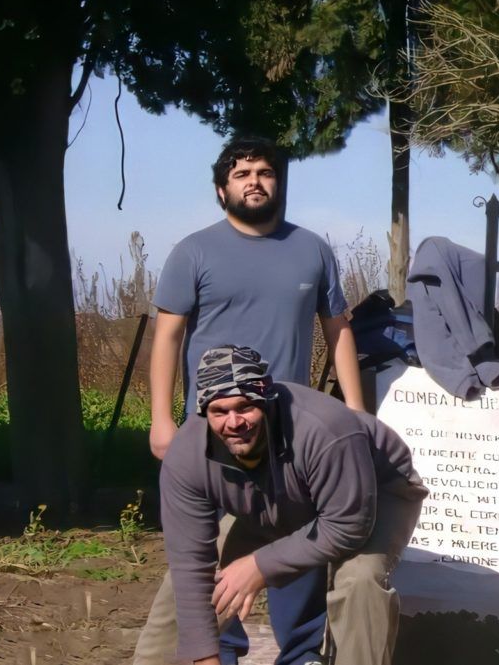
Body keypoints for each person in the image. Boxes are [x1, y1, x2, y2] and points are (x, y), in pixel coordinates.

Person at [134, 136, 364, 665]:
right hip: (214, 432)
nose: (254, 181)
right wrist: (162, 421)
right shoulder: (193, 252)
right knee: (207, 554)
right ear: (222, 189)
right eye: (242, 174)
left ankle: (302, 653)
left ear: (278, 184)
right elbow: (167, 337)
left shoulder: (313, 250)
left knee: (299, 543)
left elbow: (338, 329)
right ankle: (217, 651)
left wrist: (353, 406)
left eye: (264, 172)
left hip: (289, 433)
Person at [161, 345, 426, 665]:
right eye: (220, 411)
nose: (233, 421)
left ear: (266, 400)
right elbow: (190, 563)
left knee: (361, 579)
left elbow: (348, 526)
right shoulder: (186, 457)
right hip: (279, 493)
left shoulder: (326, 428)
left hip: (372, 493)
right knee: (193, 586)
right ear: (205, 412)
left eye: (245, 406)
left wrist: (260, 565)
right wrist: (204, 658)